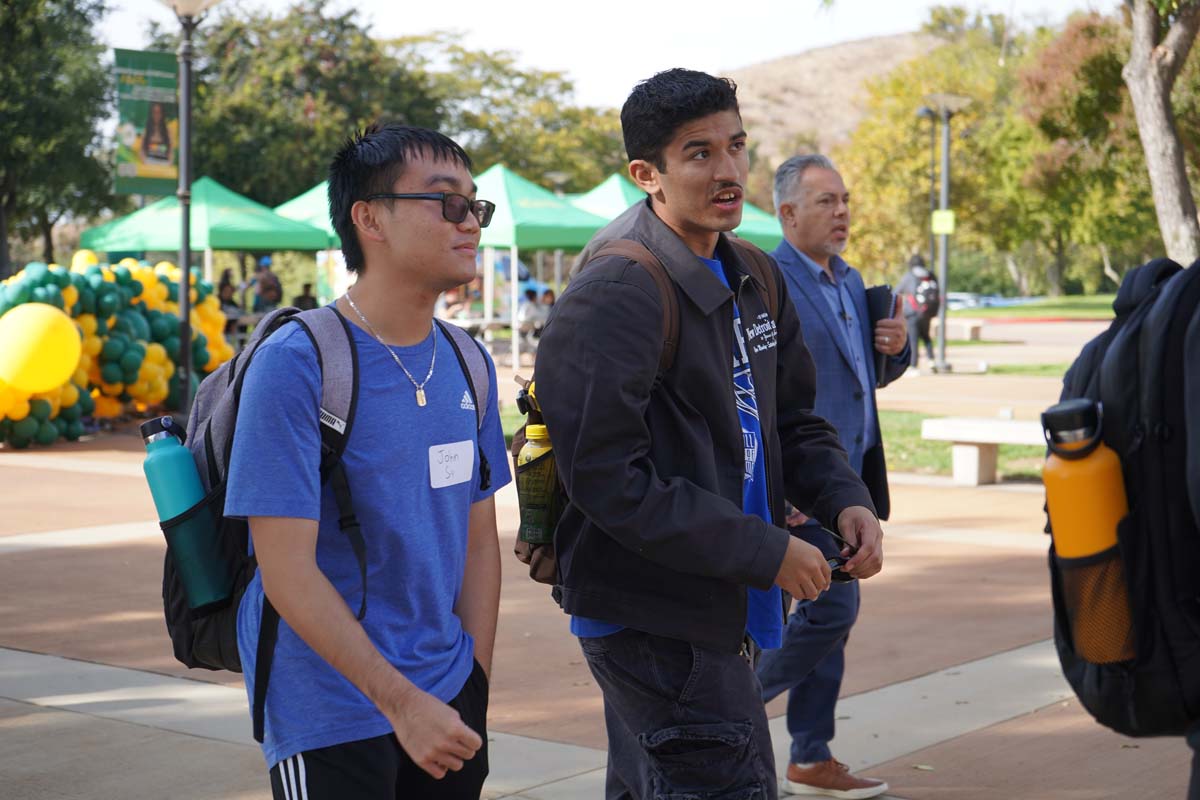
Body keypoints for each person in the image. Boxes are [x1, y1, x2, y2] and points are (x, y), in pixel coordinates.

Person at [535, 69, 884, 800]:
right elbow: (606, 479)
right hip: (652, 620)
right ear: (647, 174)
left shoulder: (753, 271)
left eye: (736, 146)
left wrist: (844, 497)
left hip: (723, 600)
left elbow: (793, 420)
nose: (728, 171)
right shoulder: (616, 289)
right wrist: (766, 550)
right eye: (699, 153)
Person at [224, 123, 510, 800]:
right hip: (329, 711)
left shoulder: (469, 362)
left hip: (449, 700)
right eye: (447, 201)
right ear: (370, 218)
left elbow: (478, 542)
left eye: (476, 205)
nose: (470, 221)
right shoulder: (297, 363)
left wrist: (474, 684)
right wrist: (401, 703)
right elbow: (286, 570)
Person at [758, 154, 909, 799]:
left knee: (828, 614)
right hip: (804, 489)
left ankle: (811, 757)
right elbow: (763, 395)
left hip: (850, 485)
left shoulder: (850, 281)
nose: (842, 212)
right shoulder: (768, 280)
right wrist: (784, 490)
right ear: (788, 213)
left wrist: (896, 349)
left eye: (844, 200)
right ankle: (728, 712)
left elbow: (862, 377)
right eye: (826, 201)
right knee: (830, 611)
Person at [895, 254, 938, 368]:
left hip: (912, 312)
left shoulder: (909, 276)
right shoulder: (930, 275)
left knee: (913, 339)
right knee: (926, 337)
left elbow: (897, 291)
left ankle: (913, 365)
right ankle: (931, 360)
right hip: (926, 313)